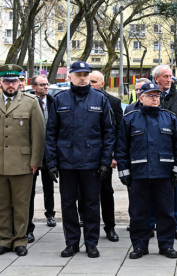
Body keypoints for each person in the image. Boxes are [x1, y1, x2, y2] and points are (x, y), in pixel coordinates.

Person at [46, 62, 115, 258]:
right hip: (66, 162)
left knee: (91, 204)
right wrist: (51, 162)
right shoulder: (60, 100)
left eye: (86, 74)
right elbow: (51, 133)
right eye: (79, 74)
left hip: (92, 162)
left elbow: (109, 132)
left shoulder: (100, 99)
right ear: (70, 77)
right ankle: (72, 243)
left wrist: (105, 161)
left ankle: (91, 243)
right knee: (68, 205)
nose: (83, 78)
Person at [0, 65, 45, 257]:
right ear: (0, 82)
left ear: (20, 83)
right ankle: (4, 239)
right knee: (0, 204)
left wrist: (36, 161)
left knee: (21, 204)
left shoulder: (31, 102)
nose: (11, 85)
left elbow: (38, 135)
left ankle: (20, 240)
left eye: (14, 81)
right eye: (7, 81)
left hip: (23, 163)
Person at [116, 81, 177, 259]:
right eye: (151, 96)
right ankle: (140, 246)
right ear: (141, 97)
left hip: (164, 174)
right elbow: (121, 148)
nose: (155, 99)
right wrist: (124, 172)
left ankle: (166, 245)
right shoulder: (130, 119)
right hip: (138, 175)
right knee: (138, 213)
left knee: (166, 212)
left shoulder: (169, 118)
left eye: (157, 96)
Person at [153, 65, 177, 242]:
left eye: (170, 76)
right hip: (153, 151)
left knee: (174, 190)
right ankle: (152, 224)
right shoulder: (150, 94)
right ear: (156, 79)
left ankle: (174, 226)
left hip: (174, 152)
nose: (169, 79)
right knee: (153, 190)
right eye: (165, 76)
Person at [89, 70, 122, 242]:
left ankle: (110, 227)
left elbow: (117, 131)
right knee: (86, 193)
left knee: (106, 192)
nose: (91, 84)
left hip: (105, 155)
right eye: (89, 81)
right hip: (86, 156)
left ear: (103, 84)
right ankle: (88, 225)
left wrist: (114, 155)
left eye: (94, 81)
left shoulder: (113, 102)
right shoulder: (81, 99)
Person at [27, 74, 57, 242]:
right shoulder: (29, 102)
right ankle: (28, 220)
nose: (45, 87)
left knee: (49, 186)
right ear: (34, 87)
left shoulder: (53, 102)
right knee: (29, 189)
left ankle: (50, 214)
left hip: (49, 152)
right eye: (42, 85)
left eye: (46, 84)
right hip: (33, 152)